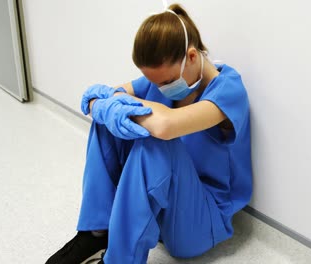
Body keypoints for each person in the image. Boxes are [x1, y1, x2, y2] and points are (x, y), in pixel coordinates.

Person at [45, 3, 252, 264]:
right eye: (154, 82)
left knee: (155, 141)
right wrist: (108, 107)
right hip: (164, 208)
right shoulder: (162, 80)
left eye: (166, 82)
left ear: (191, 57)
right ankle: (97, 232)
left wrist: (118, 105)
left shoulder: (228, 90)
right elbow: (99, 98)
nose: (160, 89)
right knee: (108, 122)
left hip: (202, 221)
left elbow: (166, 126)